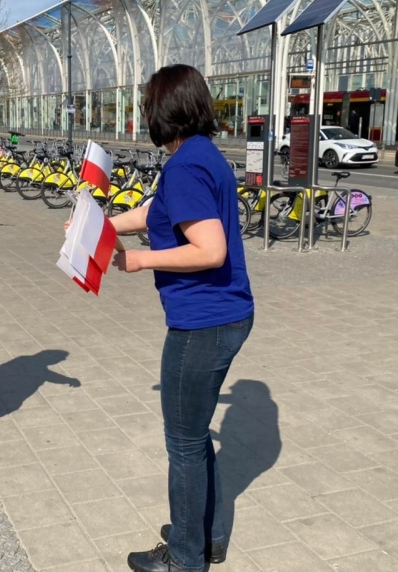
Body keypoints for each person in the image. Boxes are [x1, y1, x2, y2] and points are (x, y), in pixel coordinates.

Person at [108, 65, 254, 572]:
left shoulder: (186, 166)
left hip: (202, 322)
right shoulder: (201, 155)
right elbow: (157, 211)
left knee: (185, 443)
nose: (144, 112)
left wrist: (139, 259)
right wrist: (103, 225)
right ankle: (205, 535)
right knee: (195, 434)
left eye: (148, 105)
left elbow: (210, 250)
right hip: (223, 314)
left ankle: (185, 558)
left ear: (164, 110)